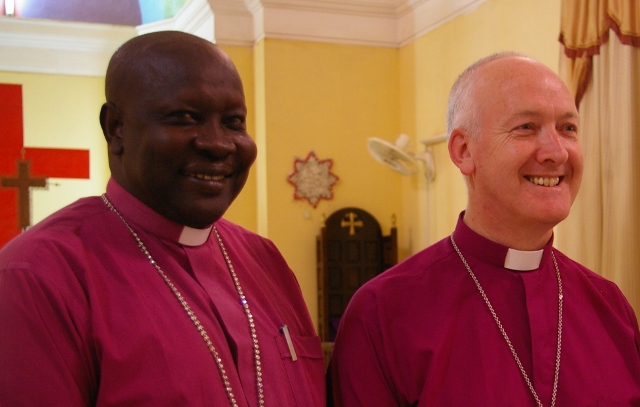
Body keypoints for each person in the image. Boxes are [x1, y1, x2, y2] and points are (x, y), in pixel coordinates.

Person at [0, 31, 325, 406]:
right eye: (185, 118)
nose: (217, 143)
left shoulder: (265, 261)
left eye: (234, 122)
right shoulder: (37, 275)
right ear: (116, 129)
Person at [329, 52, 640, 406]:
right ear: (463, 151)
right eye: (526, 127)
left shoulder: (611, 305)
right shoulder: (381, 313)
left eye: (568, 128)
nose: (557, 152)